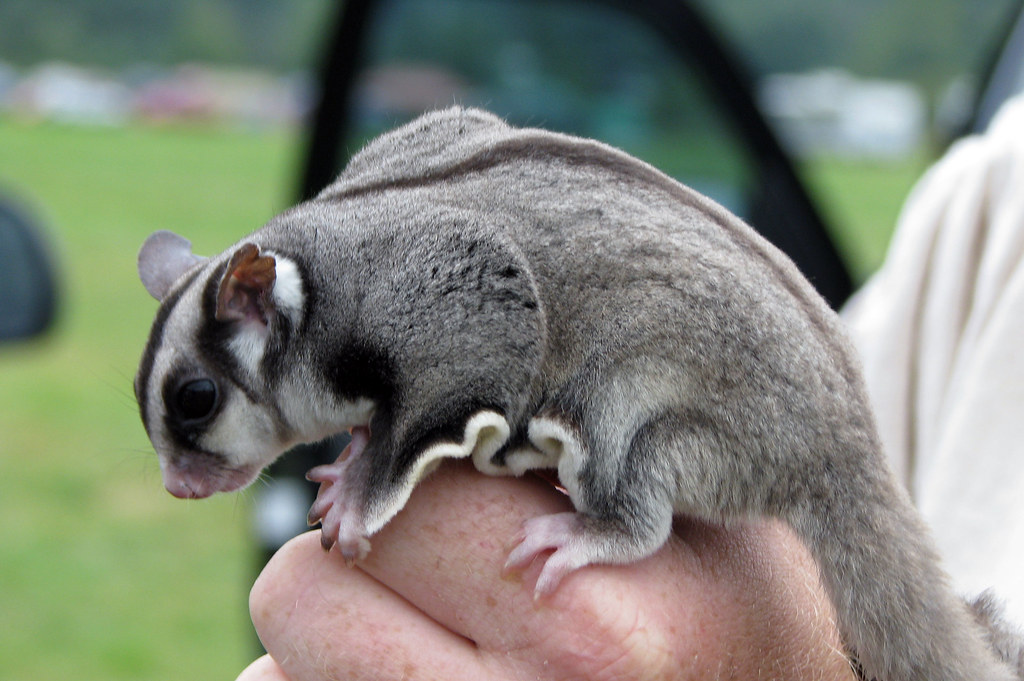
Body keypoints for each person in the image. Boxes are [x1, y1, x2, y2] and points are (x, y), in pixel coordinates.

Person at [237, 96, 1024, 680]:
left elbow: (485, 345)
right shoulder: (987, 211)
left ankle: (626, 519)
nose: (179, 484)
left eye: (199, 407)